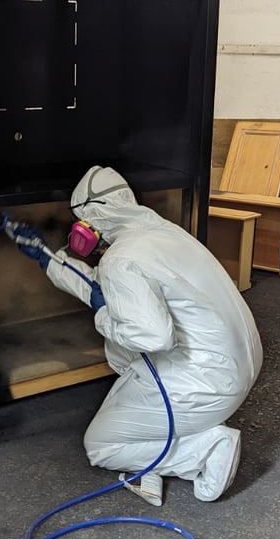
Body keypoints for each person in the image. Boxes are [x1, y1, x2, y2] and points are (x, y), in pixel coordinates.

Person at [13, 165, 262, 505]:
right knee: (122, 352)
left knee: (101, 445)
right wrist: (46, 257)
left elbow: (153, 338)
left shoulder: (121, 259)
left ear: (93, 218)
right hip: (241, 364)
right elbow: (100, 286)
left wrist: (104, 318)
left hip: (207, 384)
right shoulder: (160, 234)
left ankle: (205, 450)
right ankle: (165, 424)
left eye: (82, 222)